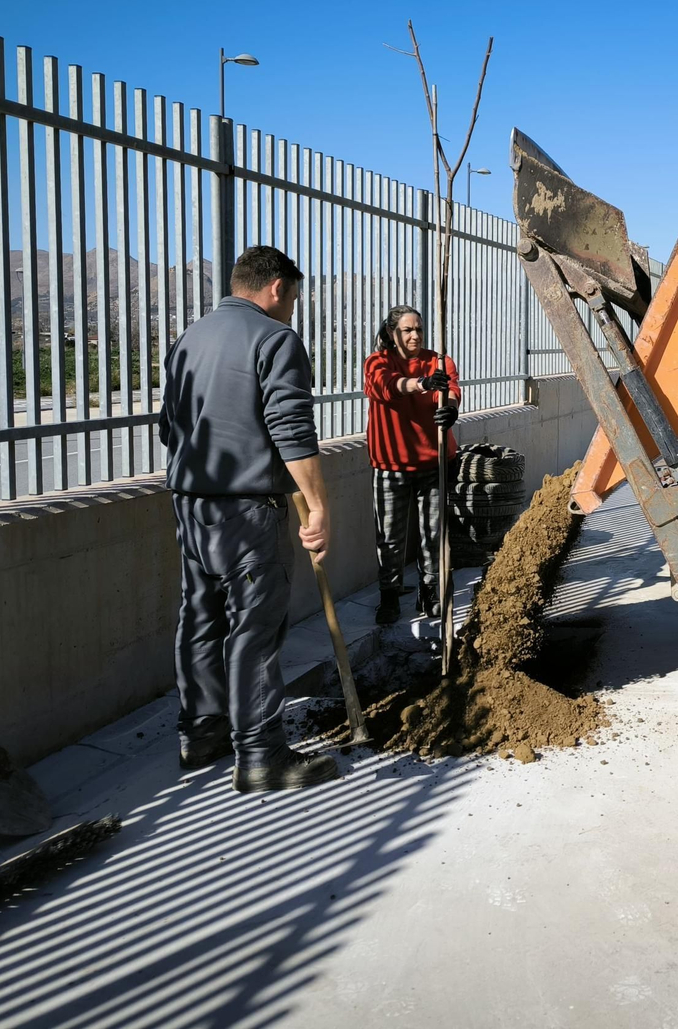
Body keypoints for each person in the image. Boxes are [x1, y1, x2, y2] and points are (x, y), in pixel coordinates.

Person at [159, 245, 338, 793]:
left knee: (201, 617)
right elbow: (291, 429)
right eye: (294, 298)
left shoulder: (189, 338)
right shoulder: (275, 339)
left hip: (191, 505)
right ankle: (260, 756)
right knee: (254, 627)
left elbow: (169, 426)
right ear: (277, 288)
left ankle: (201, 733)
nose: (292, 309)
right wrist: (318, 505)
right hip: (247, 512)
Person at [364, 305, 461, 627]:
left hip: (434, 463)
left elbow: (452, 391)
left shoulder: (440, 361)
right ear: (392, 333)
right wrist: (422, 383)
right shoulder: (377, 362)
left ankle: (430, 593)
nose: (415, 335)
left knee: (433, 535)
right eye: (407, 330)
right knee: (390, 538)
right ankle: (389, 597)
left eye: (418, 329)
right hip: (390, 466)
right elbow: (387, 386)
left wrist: (450, 408)